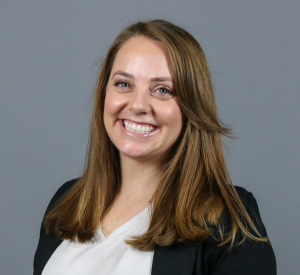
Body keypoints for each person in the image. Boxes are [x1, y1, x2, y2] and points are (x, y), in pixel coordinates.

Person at [33, 19, 276, 275]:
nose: (138, 105)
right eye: (124, 84)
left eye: (162, 90)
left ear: (192, 106)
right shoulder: (67, 202)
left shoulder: (226, 218)